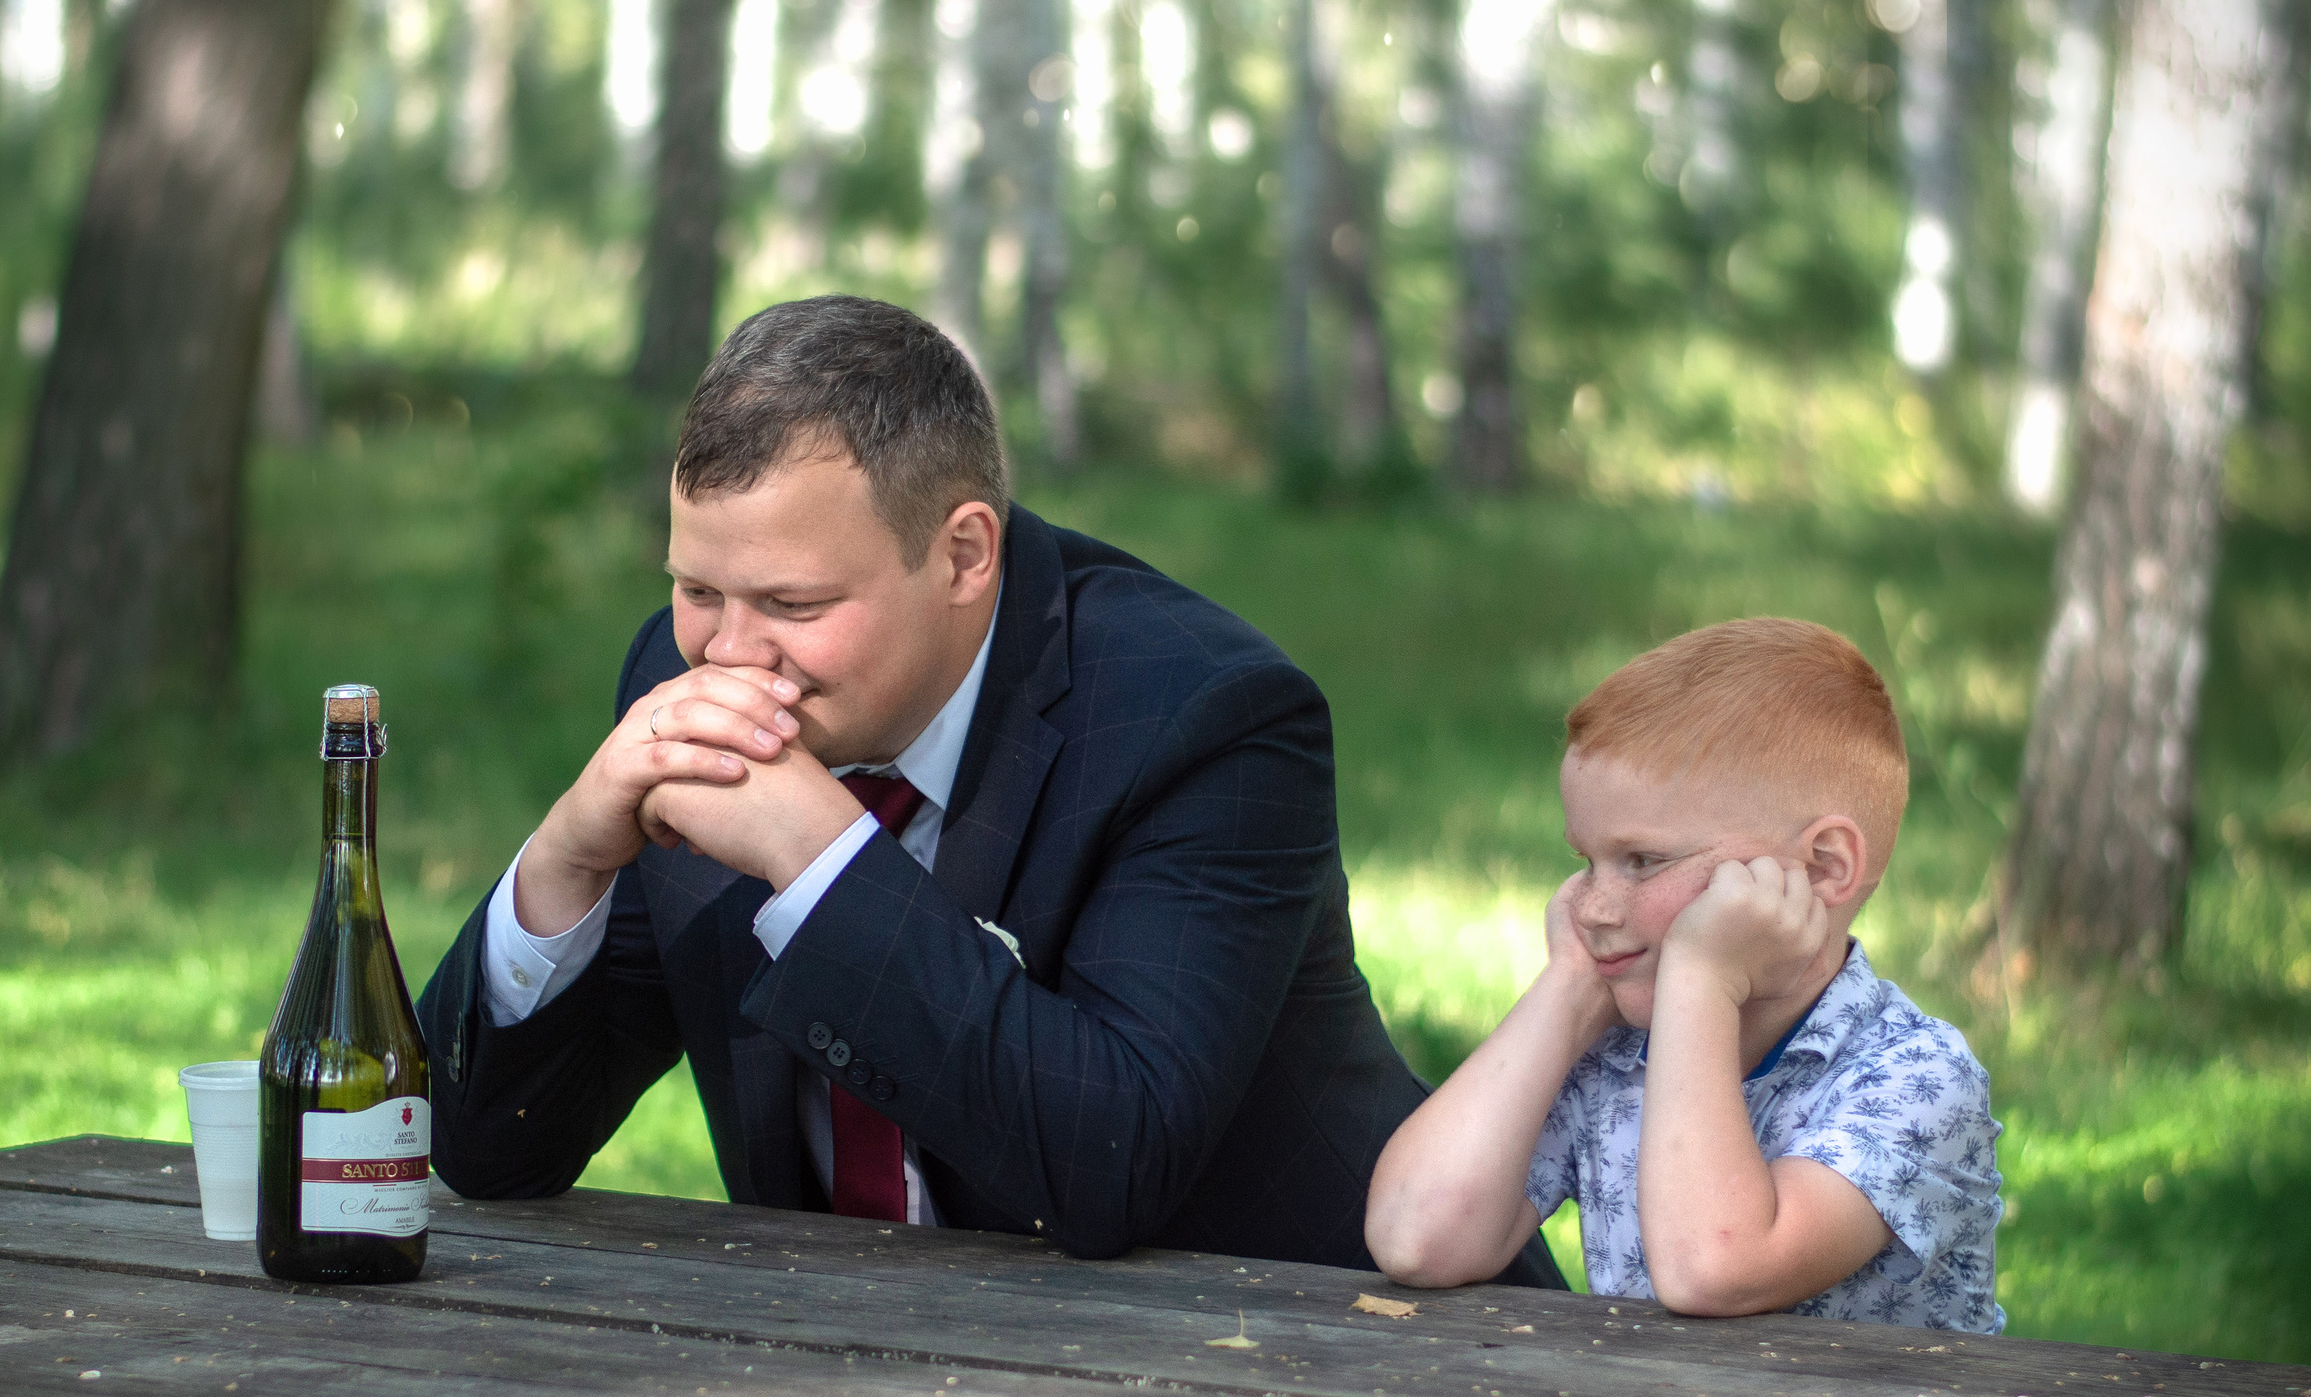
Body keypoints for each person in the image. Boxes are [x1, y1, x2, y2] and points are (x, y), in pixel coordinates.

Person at [416, 293, 1561, 1281]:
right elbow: (488, 1151)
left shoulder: (1205, 722)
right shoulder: (682, 676)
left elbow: (1109, 1164)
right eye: (696, 590)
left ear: (964, 554)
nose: (726, 655)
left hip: (1345, 1372)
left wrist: (824, 864)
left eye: (795, 606)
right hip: (891, 1393)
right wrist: (565, 861)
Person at [1363, 618, 2001, 1328]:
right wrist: (1569, 988)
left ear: (1823, 868)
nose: (1596, 906)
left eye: (1643, 861)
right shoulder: (1610, 1051)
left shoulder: (1916, 1077)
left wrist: (1702, 978)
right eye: (1586, 862)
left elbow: (1714, 1270)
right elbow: (1416, 1237)